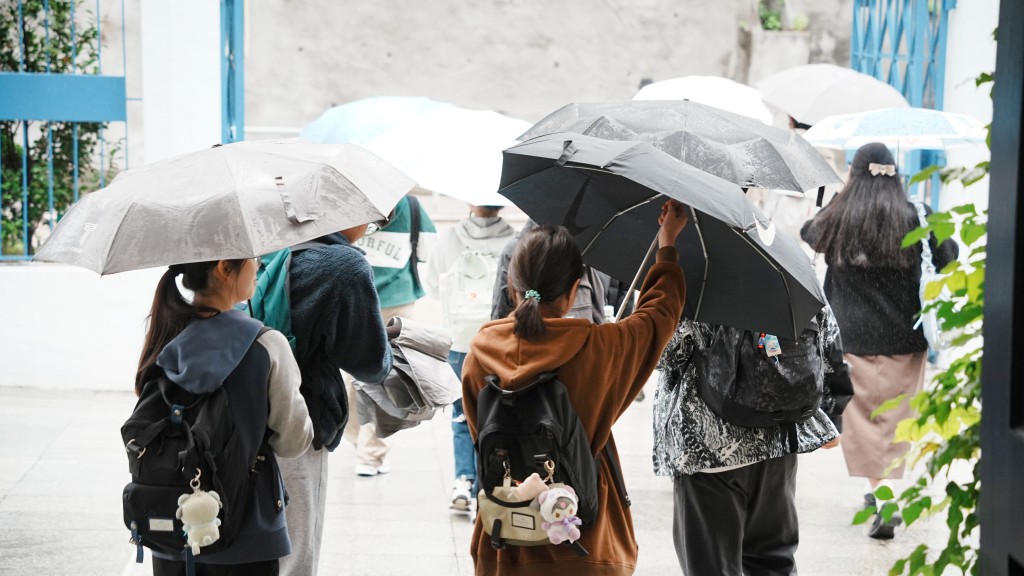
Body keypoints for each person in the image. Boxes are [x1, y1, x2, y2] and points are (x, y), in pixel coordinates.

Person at [462, 200, 689, 575]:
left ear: (512, 286)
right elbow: (660, 313)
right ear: (572, 291)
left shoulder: (479, 356)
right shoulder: (600, 348)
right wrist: (667, 244)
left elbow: (480, 436)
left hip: (503, 542)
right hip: (583, 542)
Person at [800, 142, 959, 539]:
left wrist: (837, 197)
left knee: (863, 424)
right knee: (896, 420)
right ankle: (885, 491)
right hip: (905, 340)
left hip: (851, 340)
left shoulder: (841, 216)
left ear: (854, 174)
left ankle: (883, 495)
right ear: (895, 173)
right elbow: (949, 254)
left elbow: (810, 234)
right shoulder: (917, 216)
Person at [135, 258, 313, 576]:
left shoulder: (166, 330)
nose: (259, 265)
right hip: (248, 530)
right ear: (223, 267)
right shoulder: (265, 343)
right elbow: (293, 442)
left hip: (171, 526)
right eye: (252, 259)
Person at [653, 309, 852, 575]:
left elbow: (662, 353)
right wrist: (831, 412)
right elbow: (828, 339)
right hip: (777, 442)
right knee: (773, 562)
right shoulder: (792, 285)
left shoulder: (699, 289)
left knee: (712, 566)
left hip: (709, 453)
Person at [279, 220, 395, 576]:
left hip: (232, 411)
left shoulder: (265, 246)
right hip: (299, 418)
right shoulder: (344, 264)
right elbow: (371, 364)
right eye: (374, 220)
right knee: (295, 551)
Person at [422, 203, 515, 512]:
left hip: (460, 340)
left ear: (470, 203)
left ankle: (463, 480)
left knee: (462, 413)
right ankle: (489, 484)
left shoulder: (449, 238)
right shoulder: (514, 241)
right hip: (498, 341)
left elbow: (432, 286)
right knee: (496, 415)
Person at [345, 194, 438, 476]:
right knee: (389, 375)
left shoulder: (352, 202)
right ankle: (371, 452)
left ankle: (360, 442)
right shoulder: (411, 206)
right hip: (398, 303)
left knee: (351, 373)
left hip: (356, 298)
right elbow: (426, 251)